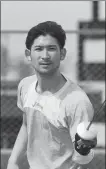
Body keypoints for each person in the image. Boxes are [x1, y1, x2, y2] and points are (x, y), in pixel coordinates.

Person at [7, 21, 97, 169]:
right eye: (39, 49)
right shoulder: (25, 86)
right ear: (28, 55)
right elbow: (26, 124)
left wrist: (85, 151)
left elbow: (84, 159)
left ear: (62, 53)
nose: (45, 55)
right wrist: (13, 161)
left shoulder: (77, 102)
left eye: (51, 49)